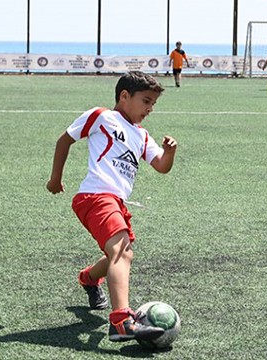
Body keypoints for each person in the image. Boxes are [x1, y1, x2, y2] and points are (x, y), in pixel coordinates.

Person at [46, 71, 178, 342]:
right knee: (122, 252)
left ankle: (89, 278)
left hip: (116, 201)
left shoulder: (141, 135)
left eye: (153, 104)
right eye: (146, 101)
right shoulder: (101, 116)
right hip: (95, 196)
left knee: (119, 253)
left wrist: (170, 153)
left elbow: (161, 167)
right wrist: (55, 179)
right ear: (124, 96)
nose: (150, 109)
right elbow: (65, 140)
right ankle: (121, 321)